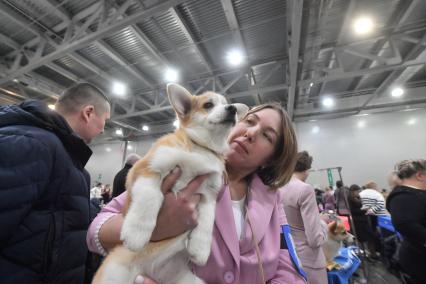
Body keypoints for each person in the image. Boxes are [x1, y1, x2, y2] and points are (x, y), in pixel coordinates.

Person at [87, 103, 306, 283]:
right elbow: (97, 227)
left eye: (267, 136)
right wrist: (154, 227)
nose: (250, 133)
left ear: (272, 158)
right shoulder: (184, 168)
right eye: (249, 121)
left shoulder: (272, 198)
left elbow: (288, 270)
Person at [0, 83, 110, 284]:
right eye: (105, 120)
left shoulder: (67, 158)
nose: (103, 129)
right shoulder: (33, 144)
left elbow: (58, 213)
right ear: (88, 112)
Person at [281, 151, 328, 284]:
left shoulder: (277, 187)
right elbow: (314, 239)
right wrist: (323, 224)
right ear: (307, 170)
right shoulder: (305, 189)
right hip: (309, 260)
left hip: (287, 257)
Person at [387, 159, 426, 284]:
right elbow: (404, 223)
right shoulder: (404, 195)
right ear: (419, 175)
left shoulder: (412, 194)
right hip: (419, 260)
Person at [347, 184, 377, 258]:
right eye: (357, 191)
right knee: (367, 238)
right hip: (359, 222)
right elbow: (352, 211)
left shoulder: (355, 198)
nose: (358, 192)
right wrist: (364, 209)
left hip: (361, 221)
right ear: (353, 191)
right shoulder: (350, 199)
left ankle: (368, 253)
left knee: (365, 239)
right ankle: (369, 254)